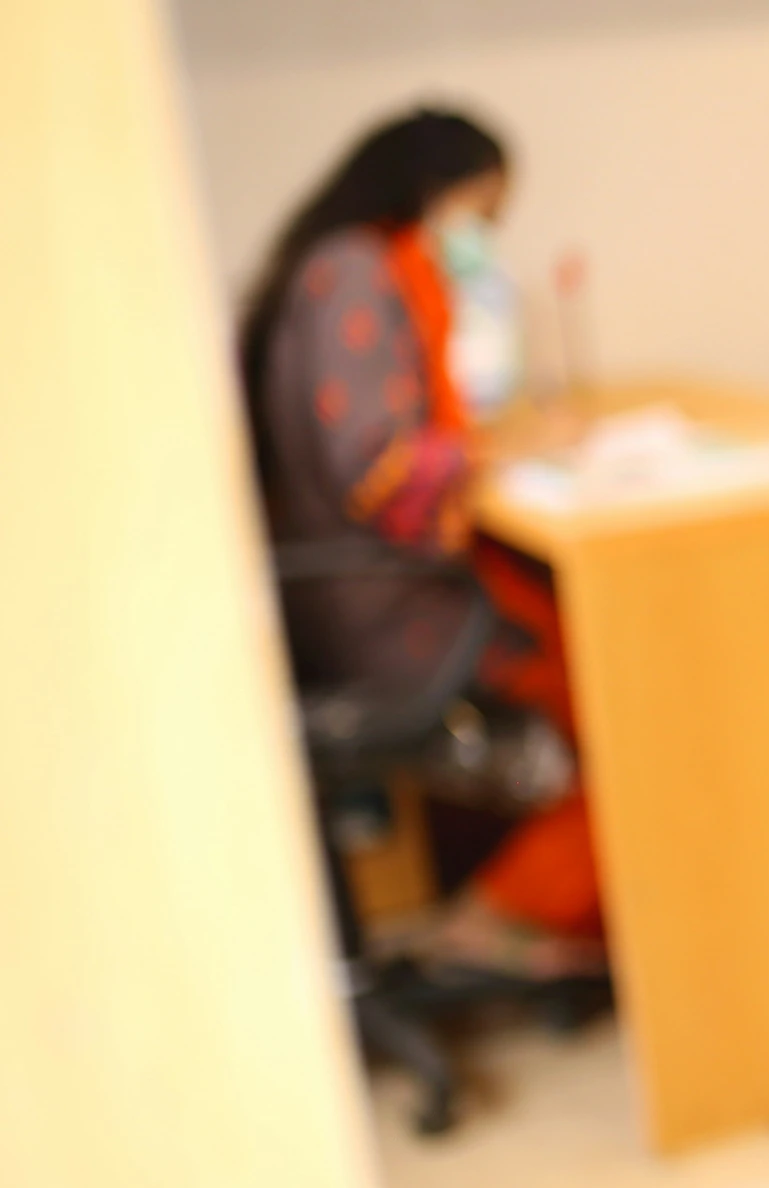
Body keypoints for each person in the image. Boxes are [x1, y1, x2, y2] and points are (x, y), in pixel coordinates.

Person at [242, 107, 603, 976]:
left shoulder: (346, 268)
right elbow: (383, 466)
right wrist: (501, 448)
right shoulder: (356, 274)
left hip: (352, 595)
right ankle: (499, 914)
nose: (480, 240)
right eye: (481, 213)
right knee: (616, 687)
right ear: (433, 190)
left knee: (577, 635)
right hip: (388, 605)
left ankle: (533, 904)